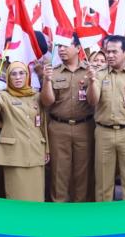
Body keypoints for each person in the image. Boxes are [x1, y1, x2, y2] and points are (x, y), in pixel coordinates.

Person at [86, 35, 125, 201]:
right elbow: (92, 101)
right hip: (104, 132)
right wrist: (92, 82)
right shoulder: (98, 74)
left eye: (114, 52)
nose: (110, 55)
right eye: (108, 51)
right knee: (103, 183)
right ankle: (104, 222)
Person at [40, 34, 95, 202]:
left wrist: (93, 81)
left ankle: (80, 210)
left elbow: (94, 101)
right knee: (59, 171)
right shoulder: (53, 71)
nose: (61, 49)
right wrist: (47, 80)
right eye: (60, 46)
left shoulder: (89, 71)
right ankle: (59, 209)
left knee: (83, 172)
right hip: (58, 127)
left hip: (84, 126)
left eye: (66, 46)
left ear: (78, 48)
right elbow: (47, 102)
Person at [0, 62, 49, 201]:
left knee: (36, 195)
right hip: (14, 154)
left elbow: (42, 124)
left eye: (22, 73)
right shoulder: (3, 95)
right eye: (13, 74)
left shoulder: (36, 96)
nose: (18, 77)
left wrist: (47, 149)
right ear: (8, 77)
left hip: (36, 151)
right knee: (16, 195)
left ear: (27, 76)